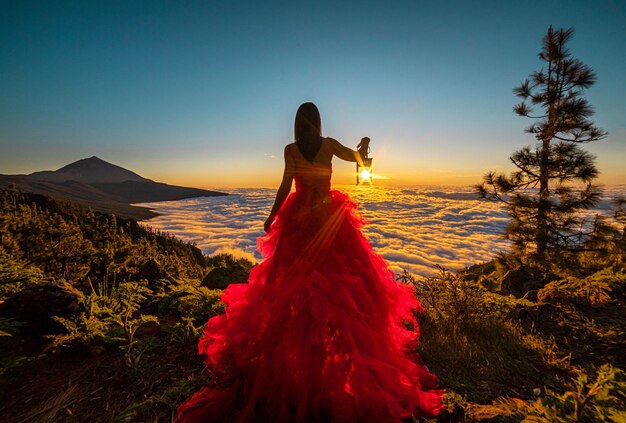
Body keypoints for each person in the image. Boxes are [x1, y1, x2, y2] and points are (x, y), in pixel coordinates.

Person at [176, 102, 444, 422]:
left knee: (291, 289)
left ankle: (297, 358)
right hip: (329, 219)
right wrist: (363, 149)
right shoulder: (329, 145)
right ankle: (338, 358)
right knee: (341, 287)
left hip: (300, 219)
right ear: (317, 123)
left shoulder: (291, 149)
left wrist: (273, 215)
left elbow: (285, 185)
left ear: (296, 125)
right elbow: (357, 160)